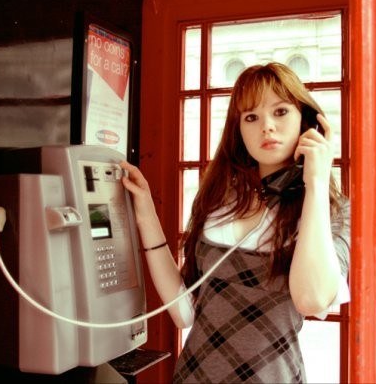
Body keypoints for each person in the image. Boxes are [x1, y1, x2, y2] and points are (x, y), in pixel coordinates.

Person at [120, 62, 350, 383]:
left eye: (280, 112)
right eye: (251, 117)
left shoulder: (329, 214)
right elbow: (184, 312)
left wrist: (315, 182)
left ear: (307, 122)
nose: (266, 127)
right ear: (238, 130)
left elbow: (310, 299)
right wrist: (145, 213)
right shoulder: (218, 201)